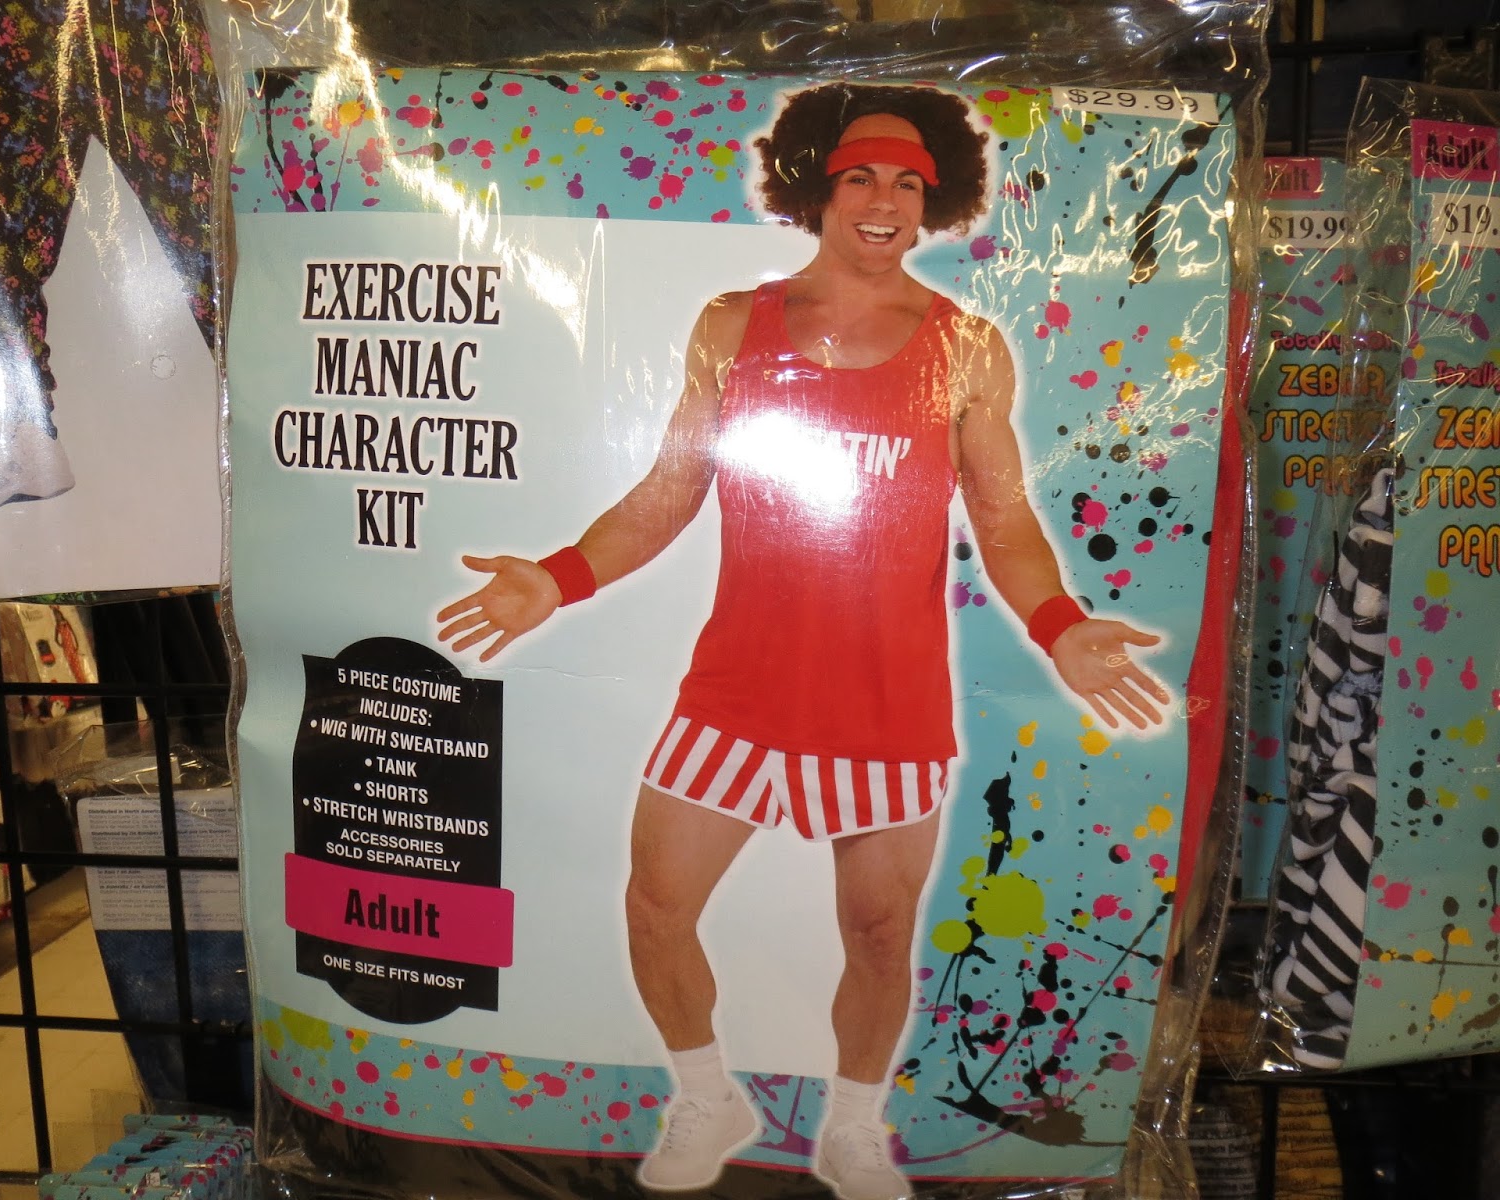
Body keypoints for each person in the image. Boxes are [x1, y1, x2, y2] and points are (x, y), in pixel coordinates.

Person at [436, 82, 1170, 1200]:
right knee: (655, 906)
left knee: (878, 935)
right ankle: (705, 1096)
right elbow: (669, 492)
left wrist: (1059, 626)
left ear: (933, 202)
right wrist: (559, 576)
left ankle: (855, 1126)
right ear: (817, 187)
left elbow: (1006, 520)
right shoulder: (735, 323)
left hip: (888, 703)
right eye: (861, 177)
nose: (884, 201)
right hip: (737, 691)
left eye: (909, 184)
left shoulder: (967, 347)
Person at [0, 0, 220, 518]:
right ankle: (26, 442)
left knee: (206, 227)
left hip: (147, 16)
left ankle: (285, 432)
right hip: (34, 13)